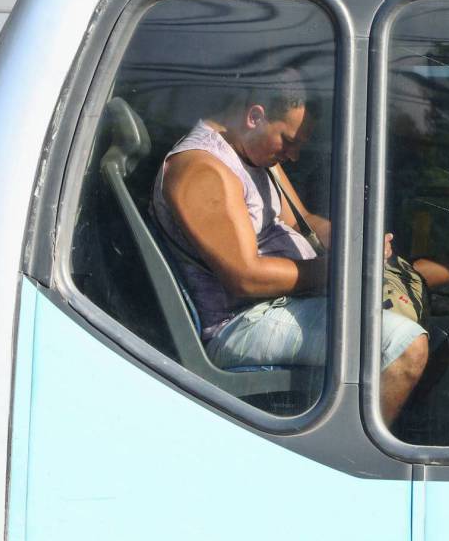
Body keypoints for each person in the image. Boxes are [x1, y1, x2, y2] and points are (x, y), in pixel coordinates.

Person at [152, 69, 429, 422]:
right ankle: (347, 466)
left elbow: (303, 221)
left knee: (448, 334)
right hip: (240, 323)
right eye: (289, 141)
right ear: (255, 116)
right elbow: (245, 278)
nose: (294, 156)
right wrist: (342, 269)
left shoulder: (254, 155)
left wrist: (360, 242)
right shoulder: (202, 170)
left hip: (287, 302)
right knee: (404, 347)